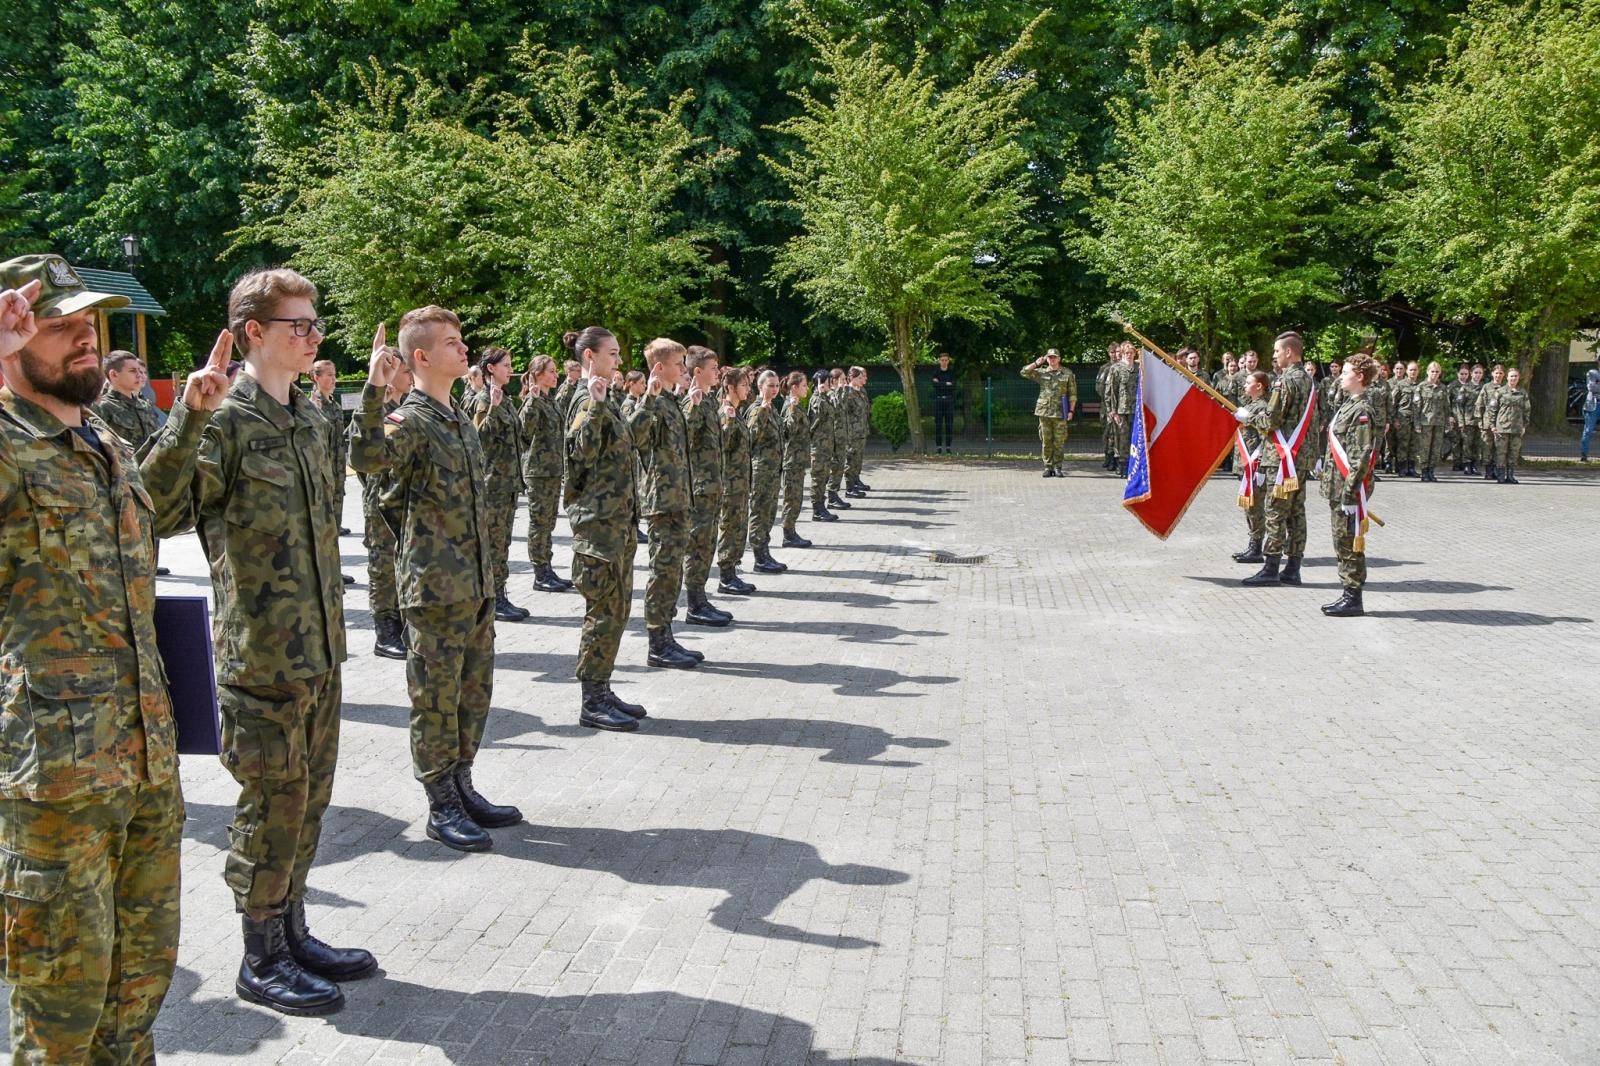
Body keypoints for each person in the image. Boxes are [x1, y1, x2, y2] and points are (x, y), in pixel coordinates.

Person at [0, 257, 230, 1059]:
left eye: (90, 327)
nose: (85, 344)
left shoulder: (96, 436)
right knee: (60, 1014)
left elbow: (154, 515)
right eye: (58, 327)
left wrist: (191, 421)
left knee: (136, 995)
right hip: (56, 790)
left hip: (144, 766)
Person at [147, 267, 381, 1014]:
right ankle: (259, 956)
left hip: (322, 651)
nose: (314, 337)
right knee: (269, 809)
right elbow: (156, 511)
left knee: (309, 804)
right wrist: (185, 421)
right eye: (299, 326)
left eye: (314, 324)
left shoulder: (311, 417)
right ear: (254, 332)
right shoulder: (224, 420)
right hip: (263, 658)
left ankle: (293, 929)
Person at [350, 306, 520, 852]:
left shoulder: (458, 417)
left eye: (462, 339)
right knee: (435, 698)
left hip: (474, 582)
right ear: (420, 356)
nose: (463, 348)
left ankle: (464, 783)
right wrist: (374, 390)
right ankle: (441, 802)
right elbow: (367, 458)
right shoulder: (410, 419)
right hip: (434, 586)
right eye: (451, 342)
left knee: (474, 693)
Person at [560, 326, 658, 730]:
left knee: (617, 611)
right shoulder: (586, 399)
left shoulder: (607, 397)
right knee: (602, 613)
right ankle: (591, 700)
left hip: (617, 524)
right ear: (590, 357)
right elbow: (580, 454)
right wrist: (599, 407)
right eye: (613, 353)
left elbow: (629, 444)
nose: (619, 360)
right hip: (597, 529)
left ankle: (602, 686)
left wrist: (642, 400)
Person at [635, 338, 701, 670]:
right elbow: (635, 436)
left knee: (673, 572)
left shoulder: (671, 402)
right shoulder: (651, 402)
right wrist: (649, 395)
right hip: (661, 501)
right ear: (659, 367)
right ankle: (657, 642)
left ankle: (667, 634)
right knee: (662, 572)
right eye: (679, 364)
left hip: (678, 499)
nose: (684, 369)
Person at [1242, 331, 1316, 588]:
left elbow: (1271, 419)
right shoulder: (1309, 381)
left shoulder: (1284, 382)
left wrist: (1248, 418)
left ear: (1288, 352)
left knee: (1275, 512)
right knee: (1297, 513)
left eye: (1276, 351)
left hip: (1282, 457)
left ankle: (1271, 567)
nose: (1274, 356)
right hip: (1302, 457)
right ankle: (1293, 568)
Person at [354, 347, 411, 658]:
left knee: (397, 565)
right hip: (381, 504)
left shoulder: (402, 407)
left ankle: (399, 623)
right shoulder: (380, 411)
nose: (410, 377)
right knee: (382, 569)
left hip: (398, 502)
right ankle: (384, 632)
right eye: (405, 372)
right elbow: (365, 461)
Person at [468, 347, 529, 622]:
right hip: (493, 486)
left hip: (508, 484)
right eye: (505, 364)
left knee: (502, 544)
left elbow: (519, 439)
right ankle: (492, 599)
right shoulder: (484, 400)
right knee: (493, 545)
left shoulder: (506, 399)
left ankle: (499, 594)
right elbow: (478, 440)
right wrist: (491, 408)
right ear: (491, 368)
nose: (510, 369)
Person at [1322, 353, 1381, 617]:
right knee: (1341, 541)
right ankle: (1347, 591)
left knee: (1348, 543)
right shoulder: (1348, 404)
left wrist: (1349, 493)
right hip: (1337, 485)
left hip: (1347, 489)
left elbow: (1361, 456)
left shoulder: (1362, 410)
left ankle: (1353, 596)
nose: (1341, 376)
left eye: (1345, 372)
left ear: (1359, 377)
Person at [680, 346, 733, 626]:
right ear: (697, 371)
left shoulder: (709, 400)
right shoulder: (693, 403)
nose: (718, 372)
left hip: (713, 485)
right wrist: (693, 405)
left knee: (708, 543)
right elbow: (684, 441)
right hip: (700, 488)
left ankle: (700, 598)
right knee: (697, 545)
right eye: (713, 369)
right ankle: (694, 603)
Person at [517, 354, 574, 593]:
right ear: (537, 375)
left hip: (552, 470)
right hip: (538, 471)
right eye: (550, 371)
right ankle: (540, 573)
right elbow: (525, 432)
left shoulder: (550, 401)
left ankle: (547, 567)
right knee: (539, 523)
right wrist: (532, 399)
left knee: (548, 522)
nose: (555, 374)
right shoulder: (533, 401)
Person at [716, 366, 759, 595]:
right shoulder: (726, 412)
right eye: (743, 385)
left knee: (739, 527)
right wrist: (729, 422)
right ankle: (725, 576)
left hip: (741, 482)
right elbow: (722, 445)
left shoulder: (737, 411)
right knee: (729, 527)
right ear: (730, 387)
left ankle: (733, 571)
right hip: (730, 483)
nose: (747, 388)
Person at [746, 368, 788, 574]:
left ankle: (765, 551)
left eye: (776, 385)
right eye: (770, 385)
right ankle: (758, 556)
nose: (774, 389)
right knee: (759, 512)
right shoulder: (757, 409)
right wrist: (762, 411)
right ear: (760, 386)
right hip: (761, 471)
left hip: (773, 471)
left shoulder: (771, 409)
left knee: (769, 512)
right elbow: (751, 436)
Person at [1230, 371, 1271, 564]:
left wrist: (1261, 466)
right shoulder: (1250, 405)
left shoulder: (1262, 406)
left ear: (1259, 386)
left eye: (1249, 383)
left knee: (1255, 507)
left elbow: (1266, 437)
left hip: (1255, 463)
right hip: (1246, 463)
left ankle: (1257, 547)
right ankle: (1253, 544)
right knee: (1249, 507)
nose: (1245, 386)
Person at [1022, 348, 1076, 477]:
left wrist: (1071, 411)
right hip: (1044, 411)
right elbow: (1024, 372)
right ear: (1047, 359)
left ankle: (1057, 467)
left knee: (1059, 441)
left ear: (1059, 359)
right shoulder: (1041, 373)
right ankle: (1047, 467)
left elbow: (1073, 394)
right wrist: (1036, 363)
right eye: (1050, 357)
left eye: (1054, 357)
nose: (1052, 359)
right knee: (1046, 441)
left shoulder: (1067, 373)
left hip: (1060, 412)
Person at [93, 350, 162, 449]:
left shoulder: (145, 405)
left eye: (140, 370)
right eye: (132, 371)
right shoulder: (102, 407)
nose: (140, 375)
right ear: (114, 374)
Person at [779, 371, 814, 548]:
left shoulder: (797, 405)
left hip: (798, 460)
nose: (806, 388)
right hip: (792, 460)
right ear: (794, 388)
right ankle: (788, 534)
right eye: (803, 385)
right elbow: (788, 432)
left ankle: (791, 531)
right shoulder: (789, 406)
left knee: (796, 498)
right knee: (791, 498)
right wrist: (792, 410)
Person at [1488, 367, 1531, 484]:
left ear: (1519, 378)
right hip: (1501, 427)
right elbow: (1492, 409)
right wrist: (1492, 425)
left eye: (1515, 376)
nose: (1513, 378)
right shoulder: (1500, 392)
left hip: (1517, 428)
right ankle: (1501, 476)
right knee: (1501, 452)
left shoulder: (1522, 392)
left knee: (1514, 452)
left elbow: (1527, 410)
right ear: (1507, 377)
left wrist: (1524, 426)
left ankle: (1510, 475)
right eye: (1511, 376)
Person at [808, 370, 840, 522]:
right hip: (819, 447)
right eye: (826, 382)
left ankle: (822, 506)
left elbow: (837, 409)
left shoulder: (825, 398)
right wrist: (822, 394)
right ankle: (817, 509)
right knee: (818, 478)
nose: (829, 384)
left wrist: (829, 393)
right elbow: (820, 413)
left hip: (827, 445)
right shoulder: (816, 399)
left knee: (824, 476)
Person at [1414, 361, 1450, 481]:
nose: (1434, 374)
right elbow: (1416, 407)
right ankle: (1424, 471)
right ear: (1427, 372)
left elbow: (1446, 407)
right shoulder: (1421, 387)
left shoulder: (1443, 388)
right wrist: (1417, 423)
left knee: (1436, 448)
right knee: (1425, 448)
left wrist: (1447, 423)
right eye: (1432, 371)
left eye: (1437, 372)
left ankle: (1431, 471)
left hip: (1439, 423)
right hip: (1425, 422)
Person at [1108, 344, 1137, 477]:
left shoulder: (1139, 368)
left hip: (1137, 409)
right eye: (1126, 352)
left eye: (1131, 352)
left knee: (1136, 437)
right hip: (1122, 409)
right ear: (1123, 353)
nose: (1128, 355)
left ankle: (1135, 464)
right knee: (1123, 438)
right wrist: (1113, 410)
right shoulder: (1116, 368)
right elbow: (1112, 391)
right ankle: (1123, 464)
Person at [825, 367, 851, 510]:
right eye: (842, 379)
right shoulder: (830, 394)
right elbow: (836, 406)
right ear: (833, 380)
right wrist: (840, 390)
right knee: (835, 467)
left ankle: (834, 494)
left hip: (841, 437)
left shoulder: (838, 393)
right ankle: (831, 497)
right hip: (834, 437)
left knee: (840, 466)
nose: (844, 382)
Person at [843, 366, 872, 493]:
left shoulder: (861, 391)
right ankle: (850, 486)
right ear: (851, 378)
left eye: (863, 377)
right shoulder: (847, 393)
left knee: (858, 458)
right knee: (851, 458)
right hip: (852, 432)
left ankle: (856, 479)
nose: (863, 379)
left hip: (862, 430)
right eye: (860, 377)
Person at [1475, 364, 1507, 480]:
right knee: (1487, 447)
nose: (1498, 375)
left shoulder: (1506, 388)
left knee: (1499, 447)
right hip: (1487, 421)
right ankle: (1488, 470)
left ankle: (1496, 469)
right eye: (1496, 373)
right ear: (1492, 374)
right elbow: (1479, 405)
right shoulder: (1486, 387)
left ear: (1504, 375)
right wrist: (1480, 421)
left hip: (1502, 422)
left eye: (1501, 373)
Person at [1449, 363, 1481, 474]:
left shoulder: (1483, 388)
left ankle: (1474, 465)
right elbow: (1457, 405)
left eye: (1480, 373)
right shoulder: (1460, 387)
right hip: (1465, 419)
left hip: (1479, 421)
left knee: (1476, 444)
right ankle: (1462, 464)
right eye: (1476, 373)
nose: (1478, 375)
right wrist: (1455, 419)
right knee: (1463, 443)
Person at [1095, 344, 1118, 470]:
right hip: (1106, 406)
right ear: (1109, 353)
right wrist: (1107, 398)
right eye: (1112, 352)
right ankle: (1107, 456)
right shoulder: (1104, 368)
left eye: (1116, 351)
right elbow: (1098, 386)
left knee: (1117, 433)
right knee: (1107, 432)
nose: (1114, 354)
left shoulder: (1123, 367)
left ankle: (1116, 458)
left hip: (1119, 407)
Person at [931, 352, 957, 453]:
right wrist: (947, 383)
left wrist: (940, 383)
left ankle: (948, 447)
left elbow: (954, 386)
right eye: (942, 360)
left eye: (946, 360)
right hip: (938, 400)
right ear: (939, 361)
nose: (944, 362)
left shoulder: (952, 372)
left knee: (949, 425)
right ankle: (938, 447)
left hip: (949, 401)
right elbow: (934, 385)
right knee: (938, 425)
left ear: (948, 361)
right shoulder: (936, 372)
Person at [1582, 351, 1600, 463]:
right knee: (1588, 430)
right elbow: (1591, 387)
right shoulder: (1592, 373)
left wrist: (1598, 383)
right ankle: (1584, 455)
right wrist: (1596, 383)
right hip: (1593, 405)